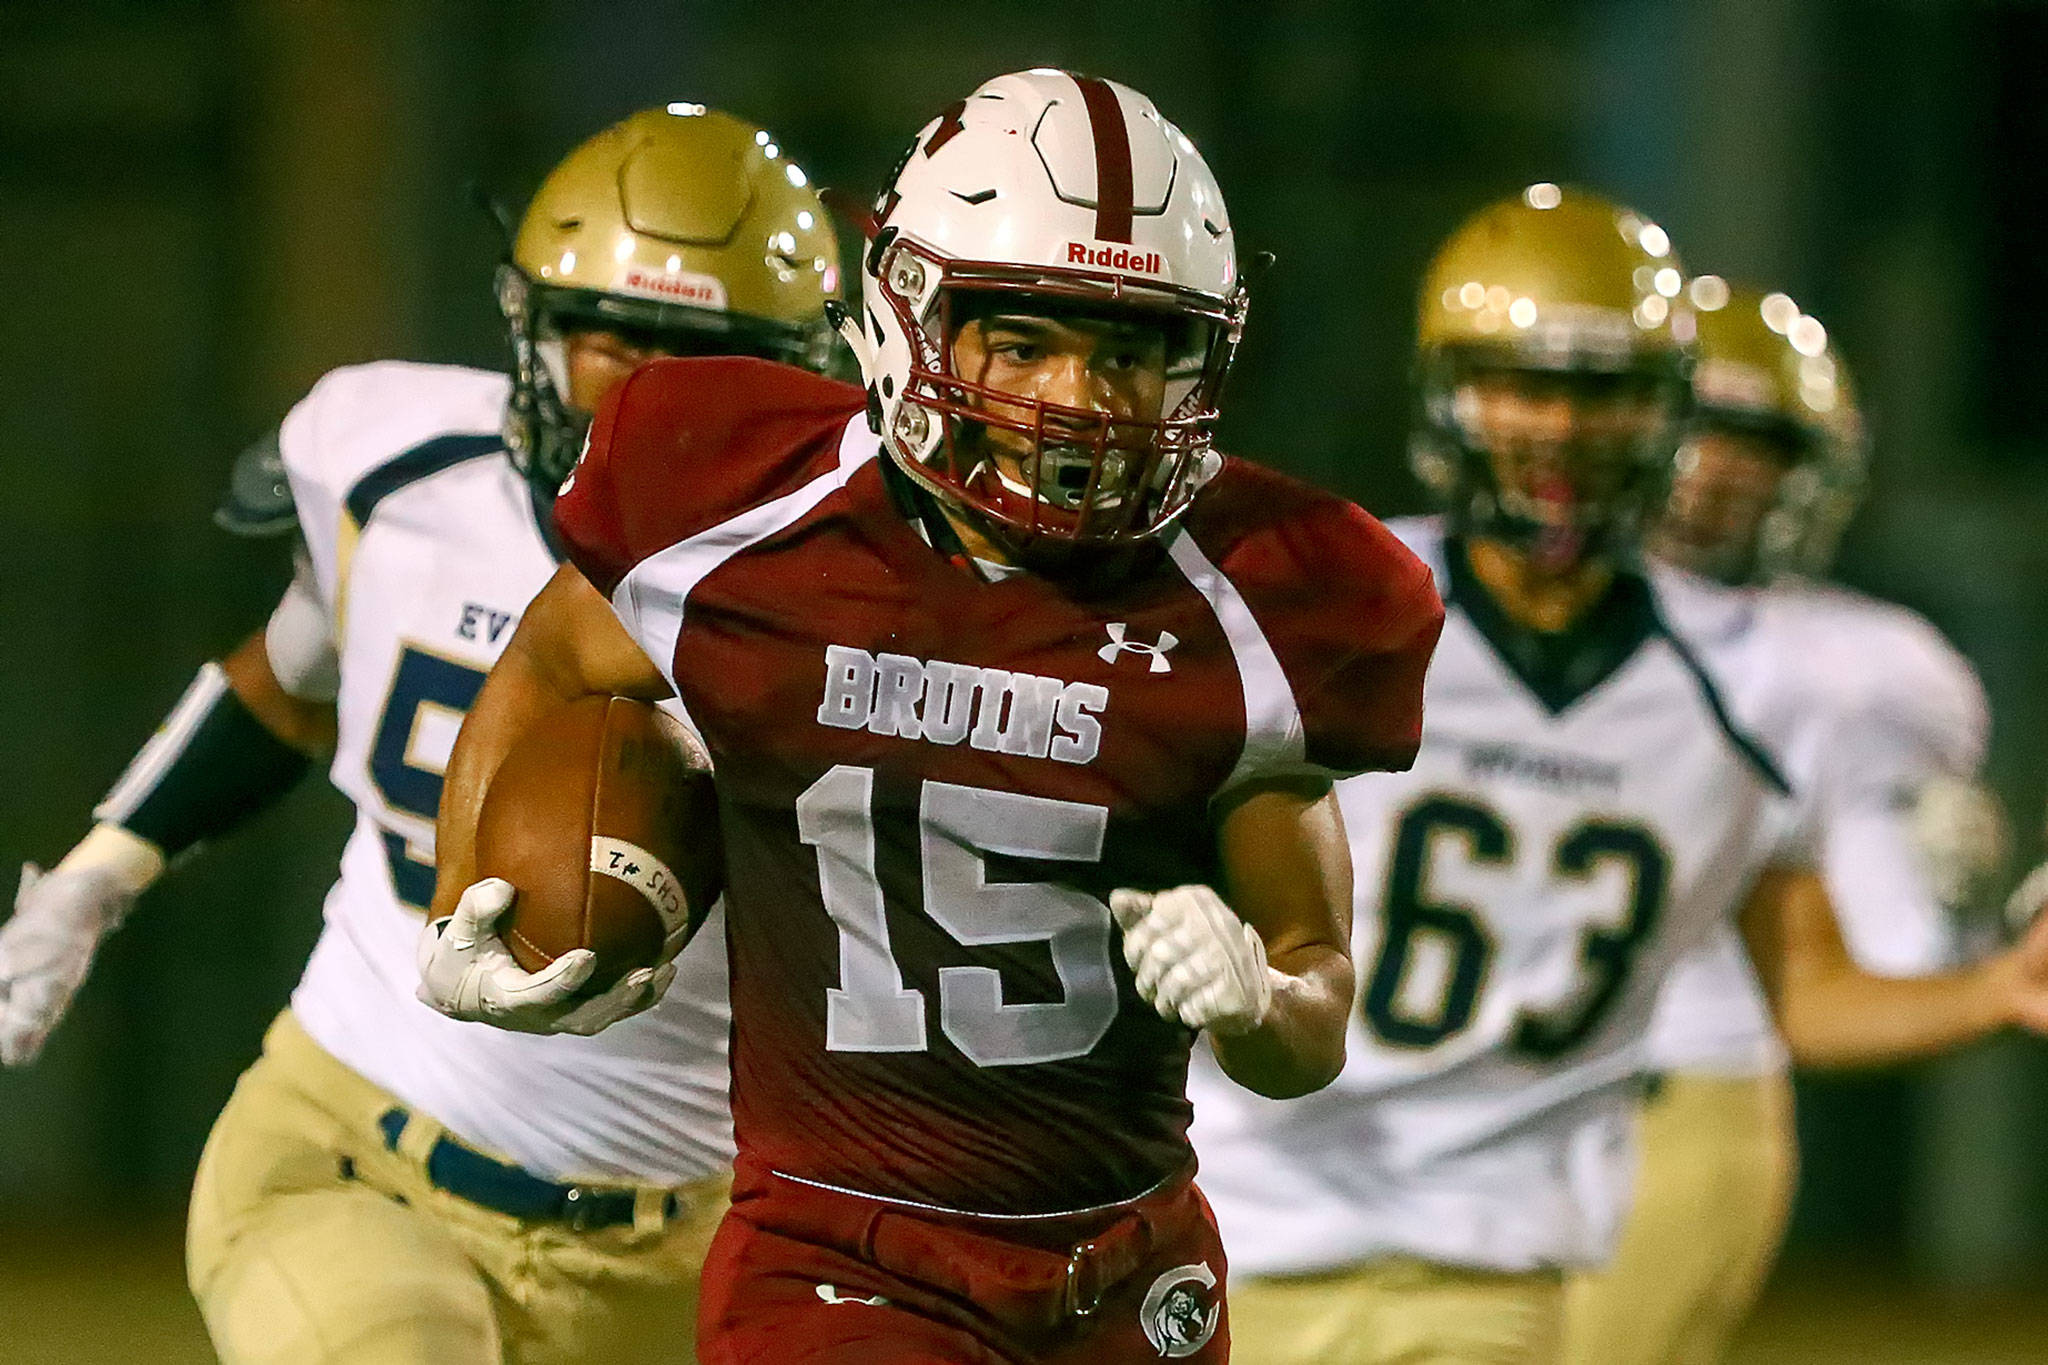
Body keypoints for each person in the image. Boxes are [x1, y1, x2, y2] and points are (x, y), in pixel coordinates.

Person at [414, 69, 1444, 1364]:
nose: (1079, 399)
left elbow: (1312, 1019)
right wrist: (463, 896)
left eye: (1128, 349)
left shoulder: (1267, 595)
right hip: (839, 1250)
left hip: (1128, 1264)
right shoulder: (750, 509)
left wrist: (1257, 998)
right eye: (1023, 341)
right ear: (909, 318)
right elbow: (557, 661)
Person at [0, 105, 840, 1364]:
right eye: (613, 349)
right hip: (364, 1155)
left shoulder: (855, 574)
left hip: (707, 1250)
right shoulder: (394, 466)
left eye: (707, 364)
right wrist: (94, 882)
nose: (652, 407)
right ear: (527, 331)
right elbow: (289, 680)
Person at [1186, 185, 2048, 1365]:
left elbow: (1796, 985)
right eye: (1520, 384)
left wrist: (1999, 987)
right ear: (1449, 393)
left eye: (1599, 394)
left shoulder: (1763, 683)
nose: (1555, 430)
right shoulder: (1328, 599)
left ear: (1664, 417)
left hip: (1492, 1264)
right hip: (1240, 1214)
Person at [1560, 279, 2008, 1365]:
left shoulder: (1855, 670)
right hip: (1422, 1106)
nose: (1713, 468)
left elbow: (1855, 968)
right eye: (1690, 429)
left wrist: (1982, 954)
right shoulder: (1459, 603)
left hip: (1664, 1105)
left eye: (1754, 442)